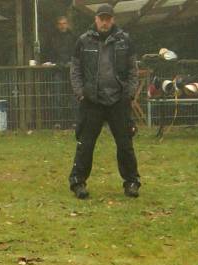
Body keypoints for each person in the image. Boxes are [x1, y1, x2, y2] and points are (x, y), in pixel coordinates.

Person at [69, 3, 141, 199]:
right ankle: (77, 182)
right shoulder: (83, 41)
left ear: (113, 20)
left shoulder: (125, 40)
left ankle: (132, 182)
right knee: (85, 144)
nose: (104, 22)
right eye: (101, 19)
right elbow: (75, 70)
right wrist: (80, 93)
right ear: (96, 19)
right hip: (92, 100)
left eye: (108, 19)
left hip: (118, 100)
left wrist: (129, 94)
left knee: (125, 144)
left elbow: (133, 70)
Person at [42, 16, 77, 128]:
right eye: (60, 23)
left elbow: (77, 52)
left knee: (73, 96)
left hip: (71, 70)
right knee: (57, 96)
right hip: (57, 69)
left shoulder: (73, 37)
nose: (62, 26)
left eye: (64, 23)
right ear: (57, 25)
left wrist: (73, 62)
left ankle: (74, 121)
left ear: (68, 24)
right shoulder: (52, 37)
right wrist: (49, 61)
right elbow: (47, 52)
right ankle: (58, 122)